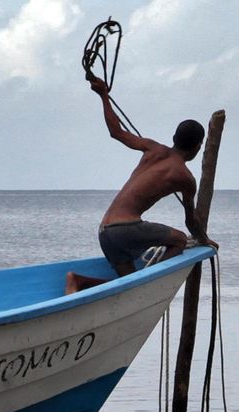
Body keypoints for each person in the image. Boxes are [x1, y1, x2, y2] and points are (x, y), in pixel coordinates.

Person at [65, 73, 218, 294]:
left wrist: (103, 95)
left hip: (105, 231)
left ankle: (79, 281)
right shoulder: (185, 178)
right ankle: (152, 280)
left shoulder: (152, 148)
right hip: (126, 228)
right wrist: (205, 240)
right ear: (197, 147)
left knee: (131, 287)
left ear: (174, 138)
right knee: (180, 240)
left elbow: (116, 132)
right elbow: (190, 221)